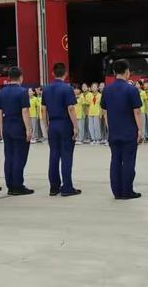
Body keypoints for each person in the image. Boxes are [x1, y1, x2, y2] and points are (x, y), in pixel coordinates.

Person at [101, 59, 143, 200]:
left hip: (114, 132)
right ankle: (127, 191)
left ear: (114, 72)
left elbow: (105, 112)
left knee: (115, 160)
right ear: (127, 72)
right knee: (129, 161)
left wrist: (109, 128)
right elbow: (136, 111)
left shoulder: (106, 89)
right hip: (129, 131)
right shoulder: (131, 89)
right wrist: (139, 130)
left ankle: (117, 192)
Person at [42, 63, 81, 197]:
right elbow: (71, 108)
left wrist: (46, 125)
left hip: (53, 123)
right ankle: (67, 187)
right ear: (65, 73)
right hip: (65, 124)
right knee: (66, 155)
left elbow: (43, 109)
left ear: (52, 73)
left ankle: (54, 187)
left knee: (54, 155)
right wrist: (75, 126)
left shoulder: (46, 89)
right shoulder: (67, 88)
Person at [0, 67, 34, 196]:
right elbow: (25, 111)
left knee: (9, 156)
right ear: (20, 77)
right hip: (19, 126)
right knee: (19, 156)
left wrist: (1, 129)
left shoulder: (1, 92)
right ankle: (18, 185)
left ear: (9, 77)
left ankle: (10, 185)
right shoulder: (22, 92)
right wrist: (28, 129)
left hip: (7, 125)